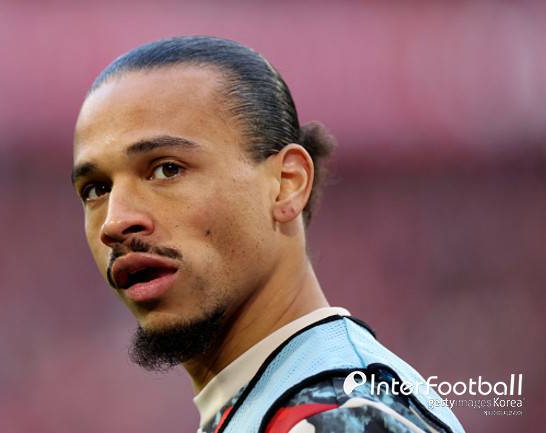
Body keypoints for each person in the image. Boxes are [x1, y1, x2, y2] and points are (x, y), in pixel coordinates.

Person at [71, 36, 465, 433]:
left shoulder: (337, 417)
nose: (114, 223)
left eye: (167, 169)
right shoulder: (285, 402)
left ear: (287, 184)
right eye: (96, 189)